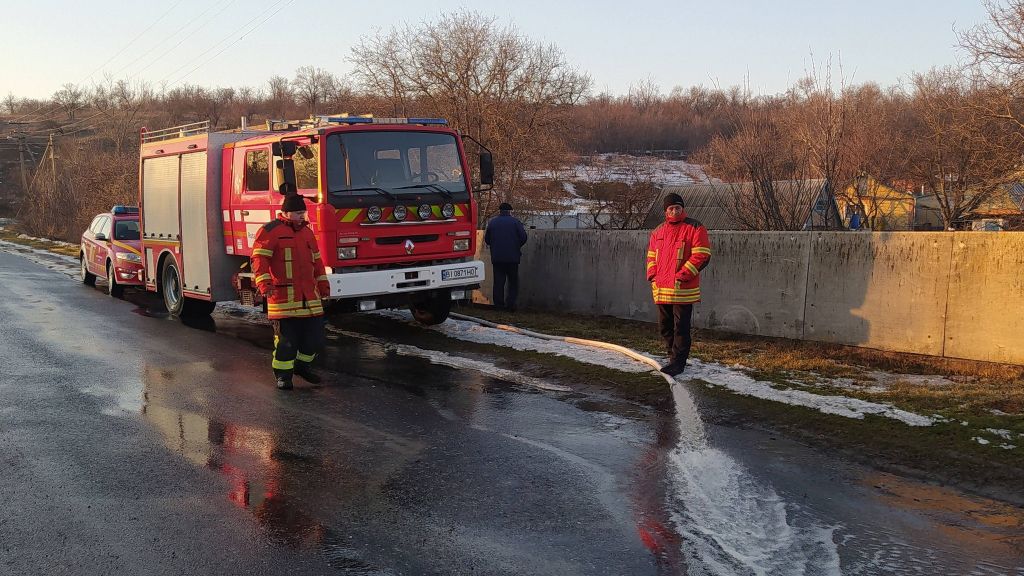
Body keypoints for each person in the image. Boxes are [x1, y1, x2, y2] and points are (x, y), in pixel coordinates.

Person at [251, 193, 331, 390]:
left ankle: (302, 367)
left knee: (314, 339)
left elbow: (317, 263)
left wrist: (323, 285)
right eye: (297, 213)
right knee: (287, 343)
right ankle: (283, 376)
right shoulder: (270, 231)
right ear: (285, 212)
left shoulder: (307, 233)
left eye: (303, 212)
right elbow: (259, 259)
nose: (302, 216)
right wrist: (264, 283)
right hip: (283, 299)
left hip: (309, 299)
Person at [646, 193, 712, 377]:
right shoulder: (658, 231)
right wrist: (652, 275)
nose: (674, 211)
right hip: (661, 288)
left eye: (677, 207)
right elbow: (651, 255)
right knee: (665, 326)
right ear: (665, 211)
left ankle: (678, 363)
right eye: (671, 208)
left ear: (682, 208)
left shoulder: (695, 227)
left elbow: (702, 254)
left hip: (682, 289)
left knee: (681, 328)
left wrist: (683, 275)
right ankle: (671, 357)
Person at [483, 202, 528, 311]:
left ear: (500, 211)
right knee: (513, 282)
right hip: (512, 258)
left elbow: (487, 239)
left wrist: (495, 246)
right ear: (510, 211)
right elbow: (523, 237)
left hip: (497, 258)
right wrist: (516, 246)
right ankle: (510, 305)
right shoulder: (515, 222)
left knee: (498, 282)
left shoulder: (493, 222)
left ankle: (498, 305)